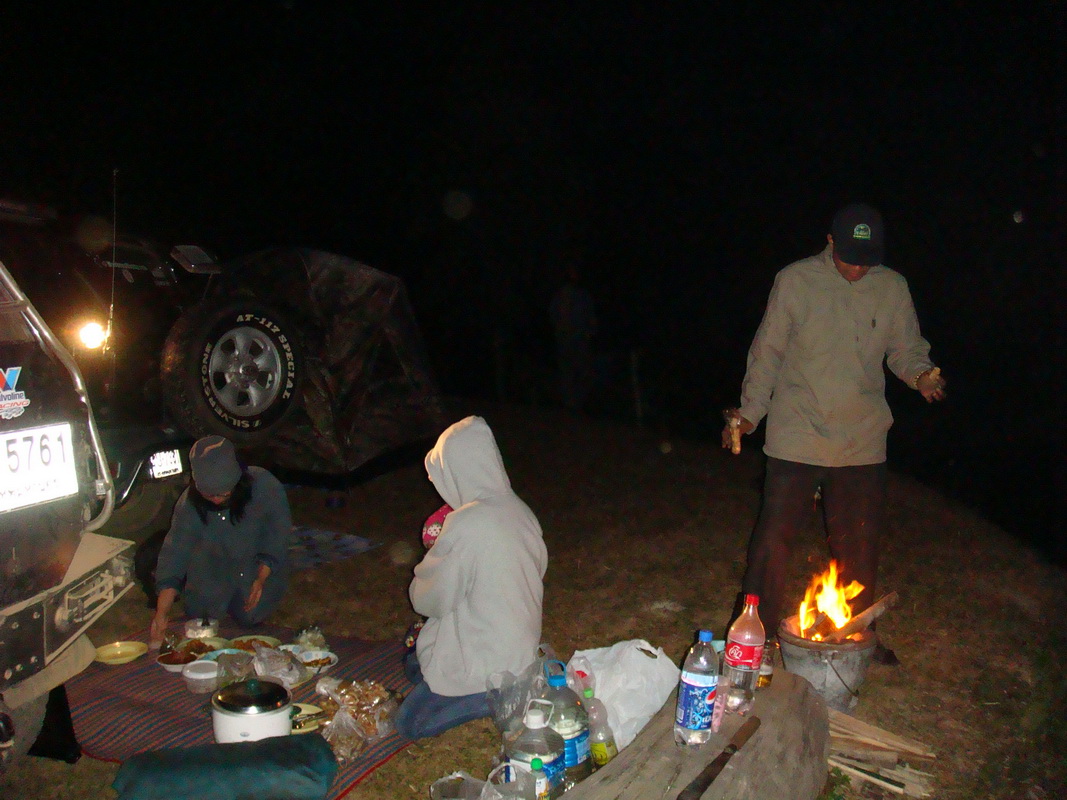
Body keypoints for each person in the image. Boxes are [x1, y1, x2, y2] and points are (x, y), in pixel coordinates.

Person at [722, 203, 946, 662]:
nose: (858, 268)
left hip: (861, 438)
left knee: (859, 546)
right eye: (850, 257)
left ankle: (855, 637)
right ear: (830, 242)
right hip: (797, 432)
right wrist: (749, 414)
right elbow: (767, 353)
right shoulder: (795, 281)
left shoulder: (892, 287)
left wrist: (921, 375)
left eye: (867, 259)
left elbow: (905, 348)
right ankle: (753, 635)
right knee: (772, 541)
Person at [395, 416, 548, 739]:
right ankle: (514, 684)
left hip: (484, 660)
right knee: (416, 663)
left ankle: (494, 698)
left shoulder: (466, 523)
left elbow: (429, 601)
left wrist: (432, 558)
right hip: (519, 650)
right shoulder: (520, 510)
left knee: (410, 724)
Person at [149, 435, 292, 647]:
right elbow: (175, 554)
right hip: (213, 565)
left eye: (224, 494)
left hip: (256, 564)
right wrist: (162, 612)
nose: (216, 500)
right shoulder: (189, 505)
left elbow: (277, 536)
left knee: (250, 616)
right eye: (209, 495)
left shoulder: (264, 486)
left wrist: (261, 578)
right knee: (202, 618)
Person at [549, 266, 599, 410]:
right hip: (568, 338)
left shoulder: (581, 295)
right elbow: (553, 315)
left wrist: (590, 332)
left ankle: (579, 402)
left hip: (578, 337)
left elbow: (590, 315)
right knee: (569, 370)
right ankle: (571, 403)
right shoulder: (563, 295)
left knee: (580, 370)